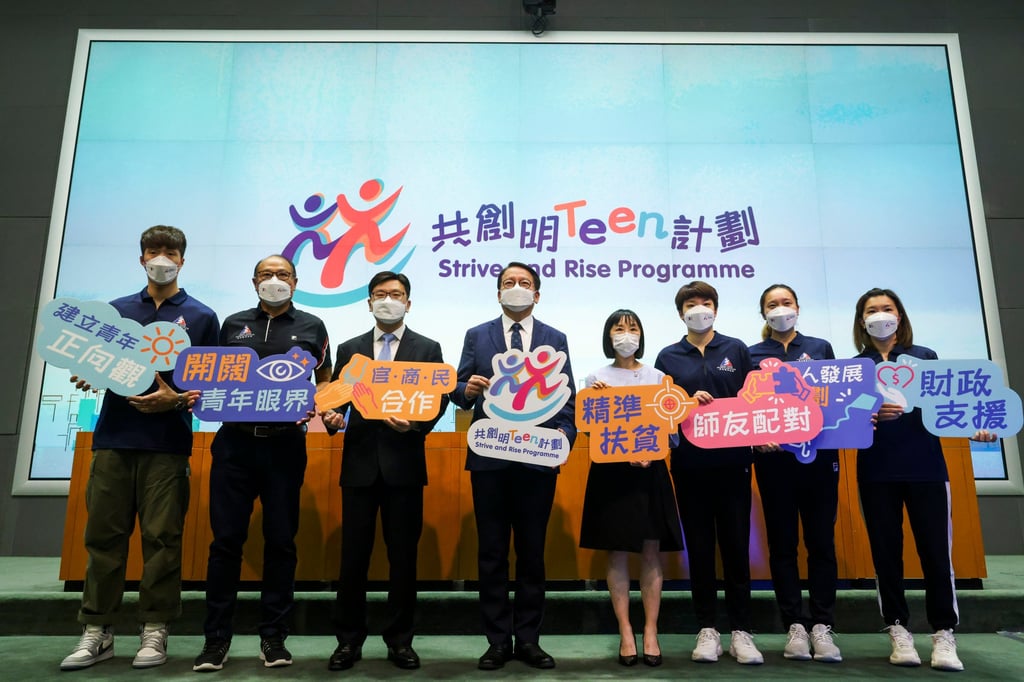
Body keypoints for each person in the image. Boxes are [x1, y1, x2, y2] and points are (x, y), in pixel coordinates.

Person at [60, 225, 220, 671]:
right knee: (103, 538)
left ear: (182, 260)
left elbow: (212, 386)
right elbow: (96, 363)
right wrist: (88, 371)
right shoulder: (115, 312)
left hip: (167, 445)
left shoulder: (203, 316)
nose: (161, 259)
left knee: (163, 539)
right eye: (153, 251)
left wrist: (178, 399)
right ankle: (98, 629)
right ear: (142, 258)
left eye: (170, 252)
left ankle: (155, 627)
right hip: (114, 439)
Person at [192, 255, 331, 672]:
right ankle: (216, 640)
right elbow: (213, 374)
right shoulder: (233, 324)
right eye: (267, 275)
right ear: (254, 282)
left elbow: (324, 379)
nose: (275, 280)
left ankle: (273, 637)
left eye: (282, 275)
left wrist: (319, 405)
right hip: (234, 445)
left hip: (285, 446)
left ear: (296, 282)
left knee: (281, 542)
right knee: (225, 542)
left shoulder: (313, 326)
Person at [852, 287, 996, 672]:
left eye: (886, 308)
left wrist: (976, 427)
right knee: (886, 554)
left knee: (935, 553)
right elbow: (845, 417)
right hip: (876, 471)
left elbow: (950, 406)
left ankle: (944, 632)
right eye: (871, 310)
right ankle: (898, 628)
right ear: (861, 320)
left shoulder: (924, 357)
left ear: (899, 315)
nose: (879, 315)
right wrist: (867, 415)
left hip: (926, 469)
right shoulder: (856, 367)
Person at [451, 262, 577, 671]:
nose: (516, 288)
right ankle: (496, 642)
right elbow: (458, 390)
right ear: (498, 292)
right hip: (490, 457)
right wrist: (466, 389)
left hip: (537, 459)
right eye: (509, 283)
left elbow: (567, 400)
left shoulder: (555, 338)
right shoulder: (477, 334)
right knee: (491, 553)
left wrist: (563, 440)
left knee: (532, 553)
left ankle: (528, 639)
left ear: (537, 294)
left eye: (524, 283)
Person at [324, 271, 448, 672]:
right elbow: (337, 399)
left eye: (395, 294)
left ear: (408, 303)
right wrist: (331, 417)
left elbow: (439, 399)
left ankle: (400, 641)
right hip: (359, 465)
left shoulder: (426, 348)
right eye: (380, 294)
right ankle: (348, 641)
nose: (388, 300)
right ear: (369, 302)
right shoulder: (351, 349)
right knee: (353, 559)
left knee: (403, 559)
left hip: (404, 466)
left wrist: (416, 425)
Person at [653, 280, 763, 665]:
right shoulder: (668, 357)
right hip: (689, 467)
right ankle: (707, 629)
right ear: (680, 313)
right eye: (691, 304)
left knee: (736, 547)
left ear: (715, 308)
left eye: (705, 303)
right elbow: (661, 411)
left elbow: (755, 401)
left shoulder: (736, 349)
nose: (699, 309)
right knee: (699, 550)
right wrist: (685, 403)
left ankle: (742, 631)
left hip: (734, 465)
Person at [578, 309, 683, 668]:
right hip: (611, 474)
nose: (626, 334)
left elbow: (671, 429)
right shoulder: (596, 377)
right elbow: (589, 428)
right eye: (619, 328)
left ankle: (651, 630)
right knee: (617, 552)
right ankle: (625, 631)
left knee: (651, 551)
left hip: (650, 471)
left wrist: (652, 452)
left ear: (641, 335)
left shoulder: (658, 377)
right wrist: (595, 401)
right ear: (608, 336)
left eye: (632, 328)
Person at [747, 284, 842, 663]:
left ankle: (822, 625)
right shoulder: (751, 354)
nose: (780, 309)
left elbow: (838, 398)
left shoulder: (820, 348)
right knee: (783, 545)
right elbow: (746, 408)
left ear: (798, 308)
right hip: (775, 464)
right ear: (763, 313)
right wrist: (757, 437)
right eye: (772, 304)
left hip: (820, 461)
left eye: (786, 303)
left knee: (821, 543)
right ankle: (795, 626)